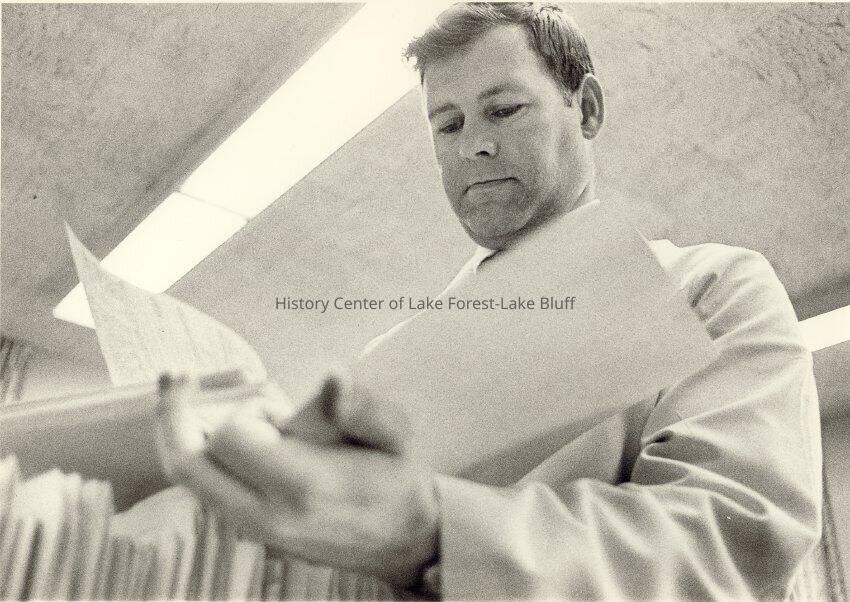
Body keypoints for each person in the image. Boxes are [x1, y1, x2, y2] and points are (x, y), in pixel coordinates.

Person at [160, 3, 822, 598]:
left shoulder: (712, 287)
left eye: (504, 110)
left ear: (587, 109)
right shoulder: (391, 357)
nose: (472, 144)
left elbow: (729, 543)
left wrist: (435, 534)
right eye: (446, 125)